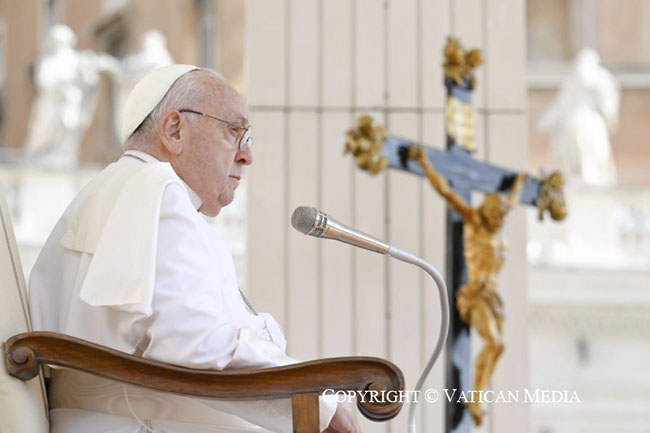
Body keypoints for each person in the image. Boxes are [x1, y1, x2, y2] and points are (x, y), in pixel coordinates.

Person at [29, 64, 360, 433]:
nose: (246, 155)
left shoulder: (108, 190)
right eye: (235, 132)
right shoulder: (160, 192)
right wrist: (320, 405)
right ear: (174, 130)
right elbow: (199, 347)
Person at [408, 146, 526, 426]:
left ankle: (477, 396)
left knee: (498, 347)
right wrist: (425, 163)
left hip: (493, 297)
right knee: (496, 342)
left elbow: (513, 199)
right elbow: (447, 192)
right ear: (487, 211)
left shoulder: (500, 223)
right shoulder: (474, 220)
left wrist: (521, 182)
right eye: (496, 214)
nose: (500, 218)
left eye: (502, 215)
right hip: (473, 294)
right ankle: (476, 398)